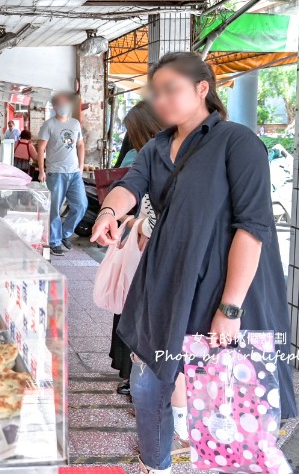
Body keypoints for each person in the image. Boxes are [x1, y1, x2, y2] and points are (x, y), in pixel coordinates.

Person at [91, 52, 296, 474]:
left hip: (223, 288)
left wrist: (230, 308)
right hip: (167, 285)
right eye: (156, 92)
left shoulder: (238, 142)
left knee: (230, 400)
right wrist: (109, 213)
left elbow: (253, 228)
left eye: (172, 89)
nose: (161, 100)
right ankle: (157, 465)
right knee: (149, 383)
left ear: (203, 89)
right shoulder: (156, 146)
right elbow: (129, 186)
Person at [107, 100, 163, 398]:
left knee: (141, 315)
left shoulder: (159, 156)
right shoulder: (153, 154)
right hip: (143, 248)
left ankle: (140, 381)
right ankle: (135, 377)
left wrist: (139, 226)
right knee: (135, 312)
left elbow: (157, 215)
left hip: (153, 254)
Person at [37, 93, 87, 256]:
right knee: (54, 209)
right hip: (55, 173)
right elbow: (41, 148)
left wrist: (80, 167)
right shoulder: (48, 125)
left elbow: (80, 145)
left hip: (74, 173)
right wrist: (42, 171)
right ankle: (54, 241)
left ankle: (65, 234)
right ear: (55, 107)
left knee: (81, 205)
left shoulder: (75, 124)